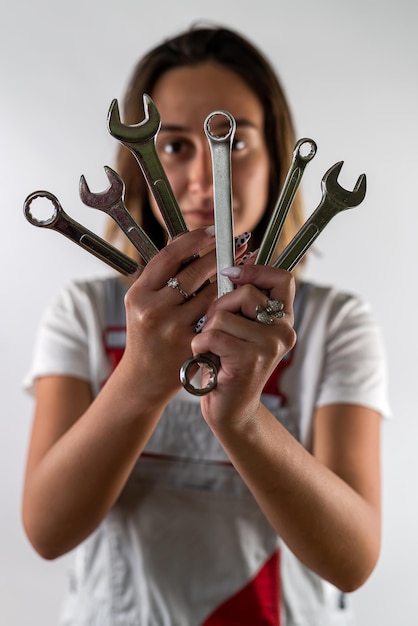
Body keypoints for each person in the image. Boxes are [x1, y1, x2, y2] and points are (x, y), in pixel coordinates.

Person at [22, 24, 390, 626]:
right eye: (171, 146)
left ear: (276, 156)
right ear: (137, 164)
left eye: (233, 144)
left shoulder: (334, 324)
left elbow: (353, 560)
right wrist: (141, 377)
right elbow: (46, 529)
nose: (203, 178)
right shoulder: (85, 313)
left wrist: (243, 419)